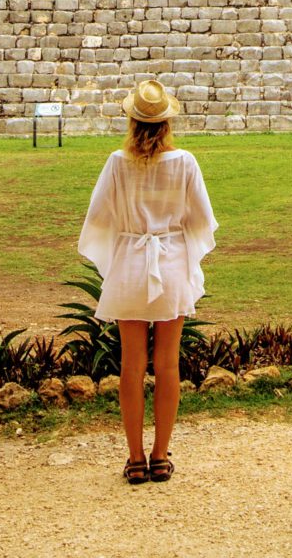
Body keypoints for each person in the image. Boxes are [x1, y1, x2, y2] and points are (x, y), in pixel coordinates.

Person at [76, 78, 217, 485]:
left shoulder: (117, 162)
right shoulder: (184, 162)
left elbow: (98, 219)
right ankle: (160, 454)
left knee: (131, 365)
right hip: (169, 263)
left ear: (132, 122)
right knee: (168, 364)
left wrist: (127, 235)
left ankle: (135, 457)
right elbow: (202, 221)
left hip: (131, 263)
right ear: (166, 123)